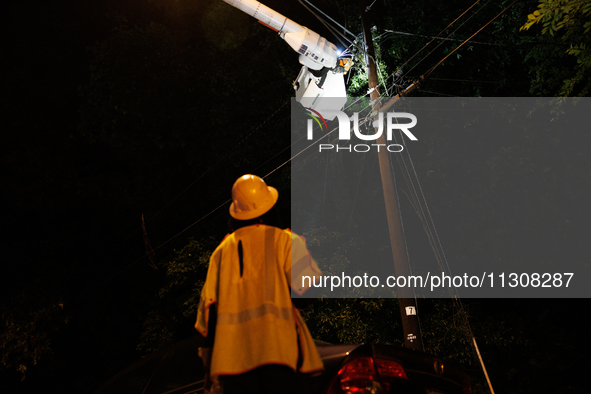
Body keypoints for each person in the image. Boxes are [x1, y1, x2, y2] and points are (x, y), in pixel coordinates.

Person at [195, 174, 324, 394]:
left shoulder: (220, 253)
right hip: (282, 357)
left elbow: (209, 316)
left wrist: (208, 372)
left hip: (231, 366)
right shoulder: (286, 241)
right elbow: (307, 296)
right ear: (269, 208)